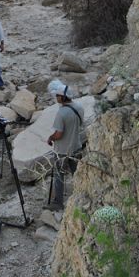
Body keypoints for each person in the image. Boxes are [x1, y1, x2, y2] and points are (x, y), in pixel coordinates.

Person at [44, 80, 84, 211]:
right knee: (77, 174)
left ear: (63, 97)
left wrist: (50, 138)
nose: (56, 98)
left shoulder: (61, 113)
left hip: (62, 150)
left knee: (59, 176)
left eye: (57, 96)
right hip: (76, 147)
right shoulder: (79, 108)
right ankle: (82, 196)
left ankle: (58, 203)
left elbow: (59, 134)